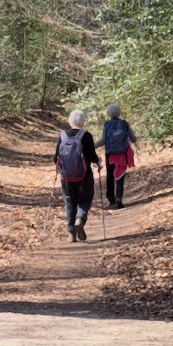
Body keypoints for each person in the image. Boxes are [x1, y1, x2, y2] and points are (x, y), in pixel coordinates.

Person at [54, 108, 99, 242]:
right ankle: (80, 219)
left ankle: (71, 232)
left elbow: (55, 158)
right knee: (85, 199)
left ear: (70, 121)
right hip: (84, 175)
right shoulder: (86, 136)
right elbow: (92, 157)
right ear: (83, 122)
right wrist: (98, 162)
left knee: (69, 202)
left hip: (67, 176)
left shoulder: (63, 136)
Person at [101, 103, 137, 208]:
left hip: (110, 154)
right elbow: (133, 139)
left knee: (110, 176)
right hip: (122, 153)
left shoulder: (106, 124)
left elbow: (103, 140)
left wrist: (92, 146)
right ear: (119, 112)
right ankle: (119, 198)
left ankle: (111, 200)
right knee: (120, 175)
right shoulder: (124, 123)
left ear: (109, 113)